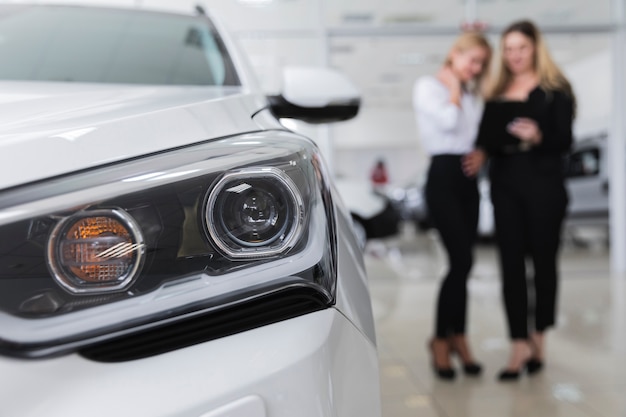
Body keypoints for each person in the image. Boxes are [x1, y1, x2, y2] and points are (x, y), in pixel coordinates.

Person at [474, 20, 576, 381]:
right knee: (511, 266)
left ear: (535, 48)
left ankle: (539, 336)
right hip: (506, 185)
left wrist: (538, 135)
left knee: (544, 264)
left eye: (521, 48)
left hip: (545, 185)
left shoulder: (556, 90)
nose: (515, 55)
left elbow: (565, 141)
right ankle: (518, 342)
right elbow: (485, 136)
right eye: (510, 49)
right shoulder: (498, 91)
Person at [413, 31, 492, 380]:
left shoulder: (473, 96)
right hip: (442, 177)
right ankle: (441, 341)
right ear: (454, 55)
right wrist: (454, 87)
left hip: (467, 180)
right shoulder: (428, 87)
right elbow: (446, 122)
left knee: (466, 263)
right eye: (471, 60)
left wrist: (482, 154)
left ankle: (458, 336)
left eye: (481, 64)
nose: (475, 68)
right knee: (459, 259)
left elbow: (473, 136)